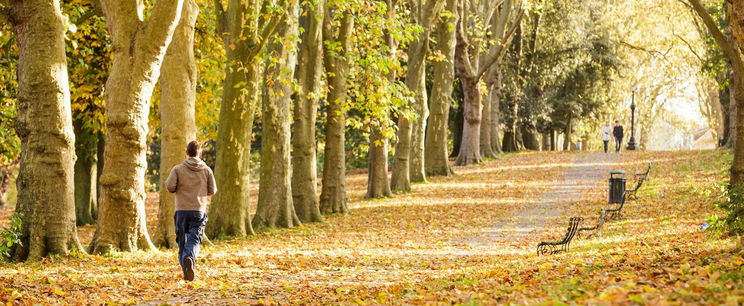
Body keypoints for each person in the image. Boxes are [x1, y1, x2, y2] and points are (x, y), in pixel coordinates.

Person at [165, 140, 217, 281]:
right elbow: (212, 190)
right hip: (198, 210)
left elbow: (170, 187)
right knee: (194, 239)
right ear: (199, 152)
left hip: (181, 210)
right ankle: (190, 260)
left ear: (186, 152)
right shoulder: (206, 170)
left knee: (182, 241)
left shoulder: (178, 169)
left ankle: (186, 270)